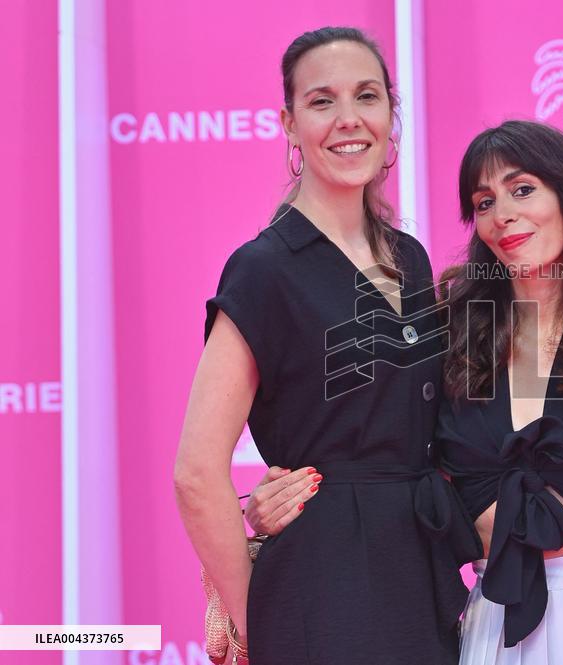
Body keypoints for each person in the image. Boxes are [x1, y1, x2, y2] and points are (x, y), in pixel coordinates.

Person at [248, 120, 563, 664]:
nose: (503, 214)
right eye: (484, 201)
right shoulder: (454, 330)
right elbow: (378, 455)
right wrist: (280, 503)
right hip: (495, 615)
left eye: (522, 190)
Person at [174, 27, 477, 665]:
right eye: (321, 101)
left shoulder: (411, 259)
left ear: (391, 113)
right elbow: (197, 474)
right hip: (320, 593)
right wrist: (260, 615)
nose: (348, 120)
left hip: (420, 580)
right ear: (288, 123)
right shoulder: (263, 269)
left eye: (367, 97)